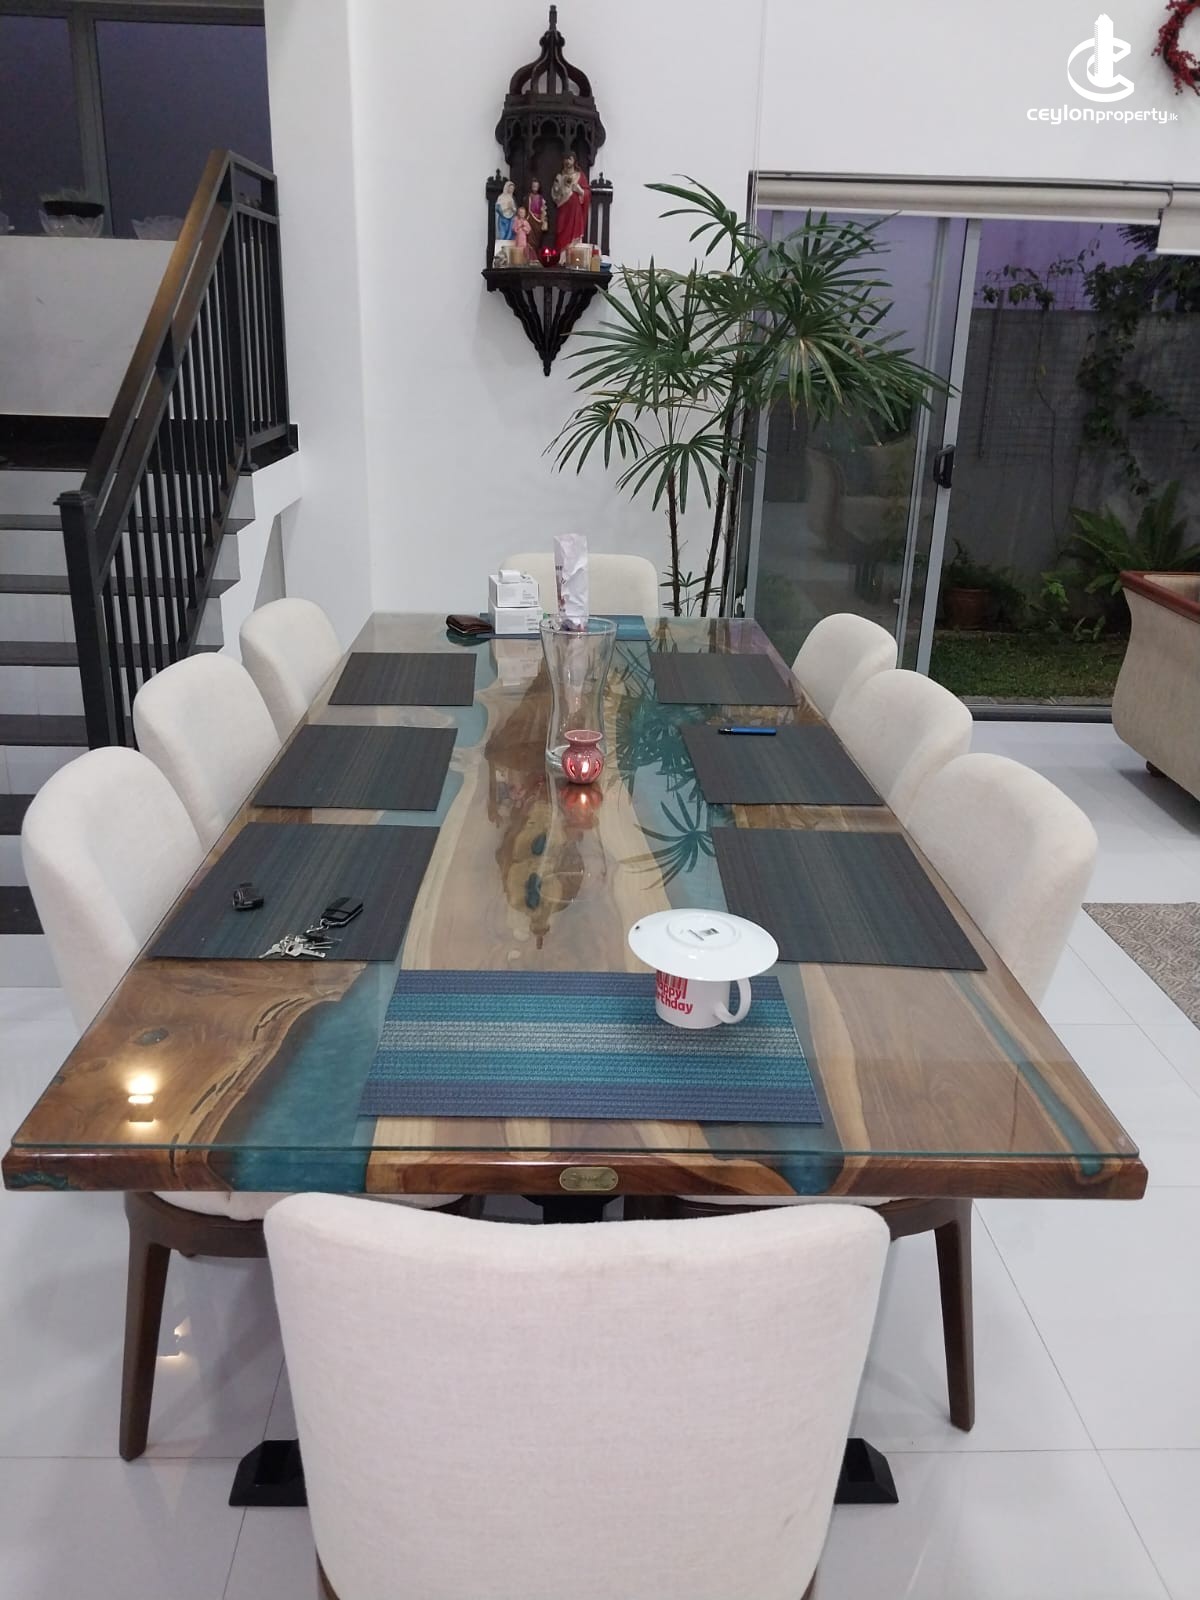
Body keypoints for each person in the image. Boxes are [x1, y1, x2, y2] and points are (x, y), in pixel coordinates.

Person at [552, 154, 590, 258]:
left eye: (570, 159)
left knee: (574, 231)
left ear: (574, 161)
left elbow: (587, 193)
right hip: (563, 208)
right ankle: (561, 257)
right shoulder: (560, 176)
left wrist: (580, 190)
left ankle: (572, 257)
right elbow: (555, 194)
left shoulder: (579, 176)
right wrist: (558, 189)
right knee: (561, 230)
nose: (567, 161)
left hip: (575, 210)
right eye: (565, 159)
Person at [526, 179, 548, 251]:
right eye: (534, 186)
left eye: (536, 186)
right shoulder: (529, 196)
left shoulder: (541, 197)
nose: (535, 188)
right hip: (531, 219)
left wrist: (543, 216)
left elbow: (543, 208)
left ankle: (536, 252)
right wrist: (531, 216)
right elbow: (528, 208)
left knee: (537, 238)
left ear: (539, 187)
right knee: (531, 237)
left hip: (539, 219)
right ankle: (531, 253)